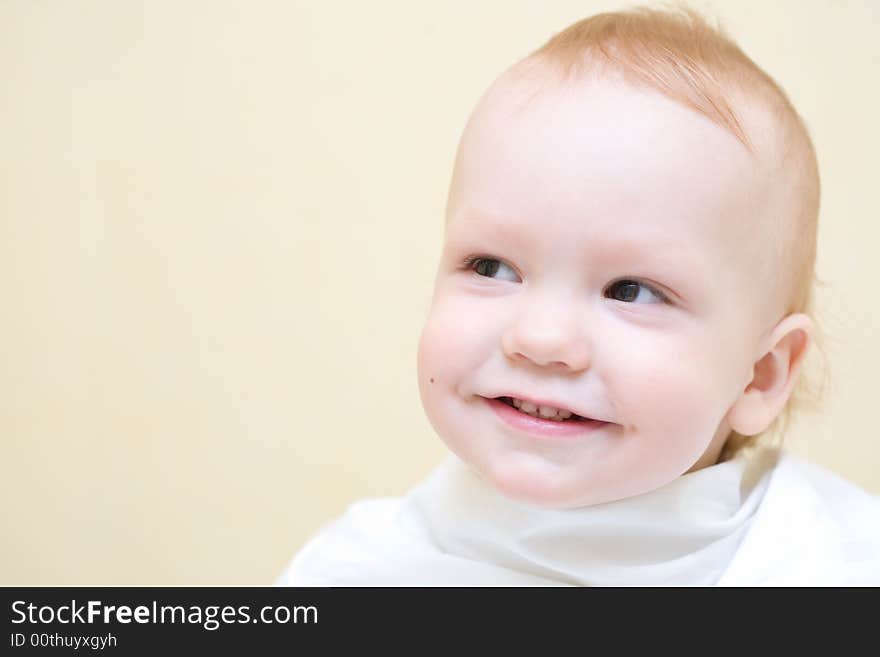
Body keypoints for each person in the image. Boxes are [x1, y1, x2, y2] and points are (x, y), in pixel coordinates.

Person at [276, 6, 879, 585]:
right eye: (492, 266)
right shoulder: (356, 572)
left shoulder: (837, 566)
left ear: (761, 376)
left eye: (632, 291)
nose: (539, 339)